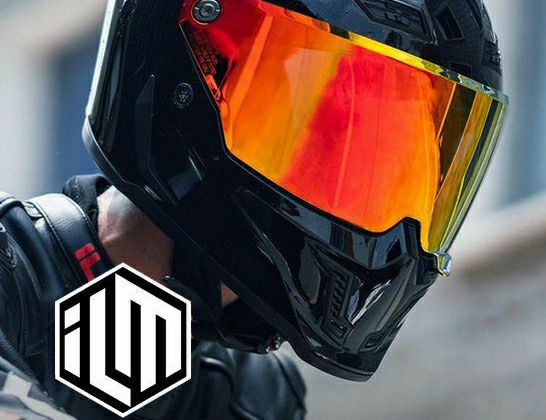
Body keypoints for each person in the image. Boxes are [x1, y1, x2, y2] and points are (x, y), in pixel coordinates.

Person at [0, 0, 507, 418]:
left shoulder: (252, 399)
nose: (370, 191)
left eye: (401, 174)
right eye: (323, 134)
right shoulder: (11, 271)